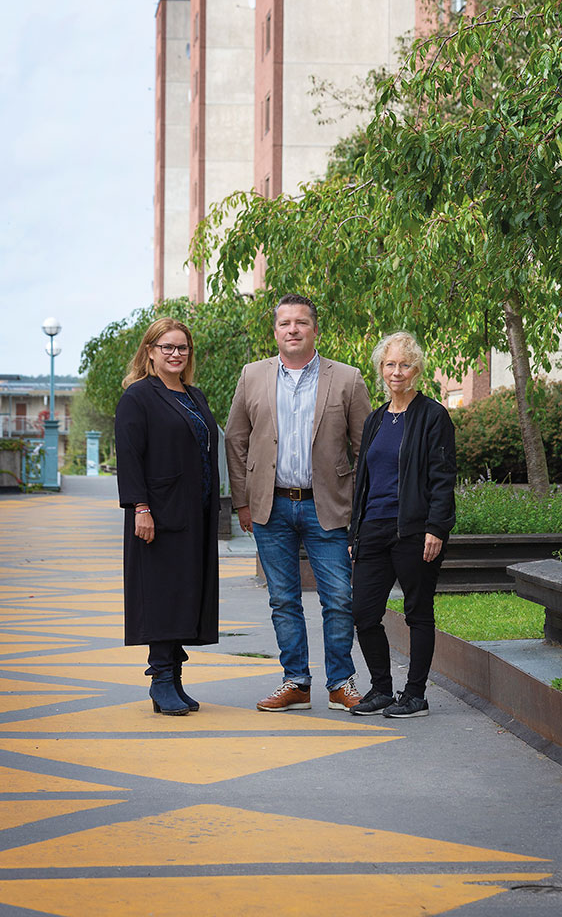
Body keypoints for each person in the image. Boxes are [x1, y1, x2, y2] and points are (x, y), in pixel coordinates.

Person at [225, 293, 371, 711]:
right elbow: (236, 441)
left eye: (301, 323)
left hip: (328, 506)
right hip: (270, 507)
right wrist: (242, 501)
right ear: (275, 331)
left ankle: (341, 682)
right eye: (285, 323)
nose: (293, 330)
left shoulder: (347, 378)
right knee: (283, 599)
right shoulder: (252, 375)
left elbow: (365, 449)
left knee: (339, 598)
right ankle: (296, 682)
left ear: (314, 329)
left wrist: (359, 510)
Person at [348, 331, 457, 719]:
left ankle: (415, 695)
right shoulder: (376, 419)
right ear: (381, 368)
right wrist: (354, 531)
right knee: (363, 612)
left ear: (417, 370)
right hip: (373, 528)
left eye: (405, 364)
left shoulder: (432, 416)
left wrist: (437, 527)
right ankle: (381, 689)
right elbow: (364, 478)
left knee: (417, 613)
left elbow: (443, 477)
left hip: (414, 531)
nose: (397, 372)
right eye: (390, 364)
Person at [115, 317, 219, 716]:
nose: (176, 354)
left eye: (182, 348)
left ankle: (174, 677)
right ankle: (160, 680)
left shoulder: (194, 395)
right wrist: (139, 507)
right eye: (167, 347)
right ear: (150, 352)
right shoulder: (138, 397)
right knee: (162, 593)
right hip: (157, 515)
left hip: (195, 513)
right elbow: (129, 457)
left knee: (185, 593)